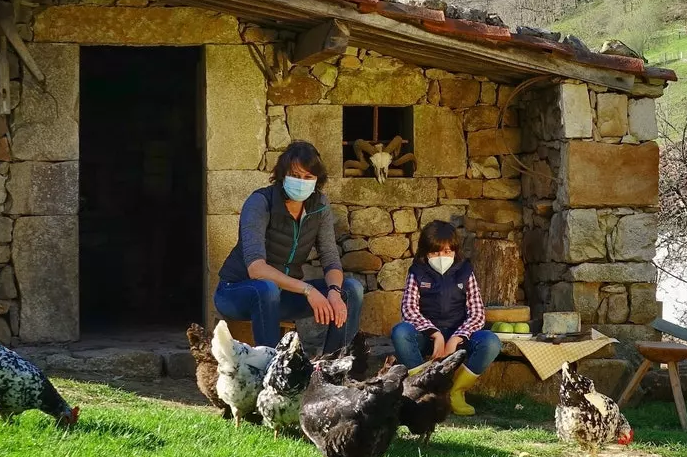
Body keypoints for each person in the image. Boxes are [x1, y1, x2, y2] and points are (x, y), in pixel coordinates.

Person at [213, 141, 363, 351]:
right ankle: (272, 368)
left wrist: (335, 292)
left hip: (283, 296)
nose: (301, 182)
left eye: (308, 177)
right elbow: (256, 269)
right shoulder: (260, 202)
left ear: (317, 180)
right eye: (295, 175)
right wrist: (308, 290)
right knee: (266, 288)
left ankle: (334, 366)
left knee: (351, 289)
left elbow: (330, 259)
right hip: (236, 293)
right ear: (282, 176)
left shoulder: (319, 206)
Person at [389, 220, 499, 416]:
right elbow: (409, 310)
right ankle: (424, 390)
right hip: (427, 337)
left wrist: (457, 338)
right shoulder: (417, 272)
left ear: (455, 251)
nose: (442, 257)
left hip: (460, 336)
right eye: (436, 252)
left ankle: (455, 392)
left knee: (490, 341)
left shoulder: (465, 272)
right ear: (425, 253)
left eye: (447, 252)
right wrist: (435, 334)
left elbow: (477, 313)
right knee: (400, 331)